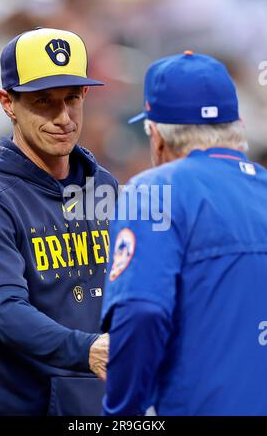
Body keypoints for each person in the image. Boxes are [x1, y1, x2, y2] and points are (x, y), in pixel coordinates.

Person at [101, 51, 267, 415]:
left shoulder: (153, 192)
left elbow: (142, 312)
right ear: (236, 126)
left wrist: (121, 413)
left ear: (157, 136)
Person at [0, 27, 117, 416]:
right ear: (7, 102)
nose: (63, 118)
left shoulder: (104, 186)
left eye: (71, 98)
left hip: (101, 405)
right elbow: (6, 312)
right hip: (18, 406)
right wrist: (88, 349)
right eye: (43, 101)